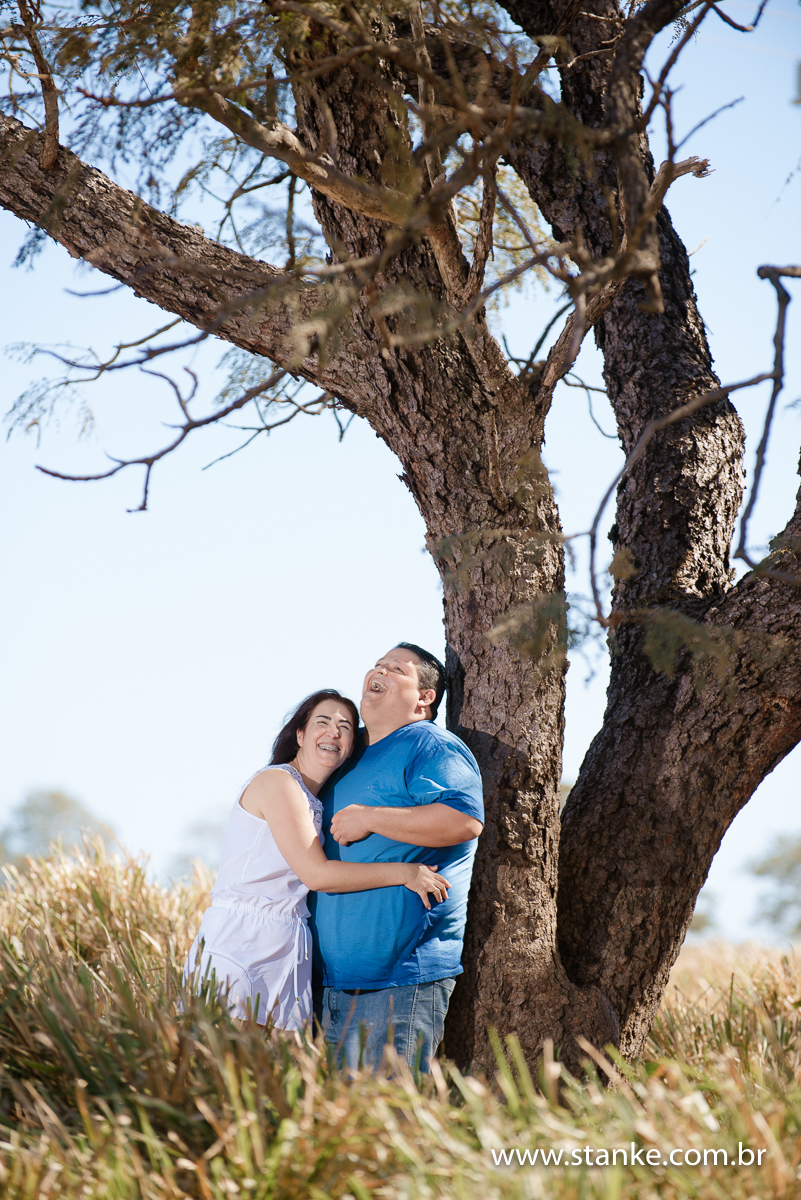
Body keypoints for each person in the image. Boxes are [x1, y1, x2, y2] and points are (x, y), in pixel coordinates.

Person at [183, 689, 451, 1030]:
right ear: (300, 735)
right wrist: (406, 872)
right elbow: (317, 874)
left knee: (272, 1078)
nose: (334, 732)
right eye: (322, 722)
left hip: (288, 946)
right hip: (242, 940)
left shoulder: (317, 799)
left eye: (346, 727)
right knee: (220, 1069)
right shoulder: (277, 782)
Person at [310, 645, 484, 1072]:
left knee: (386, 1123)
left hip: (401, 980)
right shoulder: (350, 758)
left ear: (424, 697)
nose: (378, 670)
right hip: (331, 987)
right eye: (377, 664)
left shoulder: (429, 744)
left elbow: (463, 821)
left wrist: (370, 818)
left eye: (395, 669)